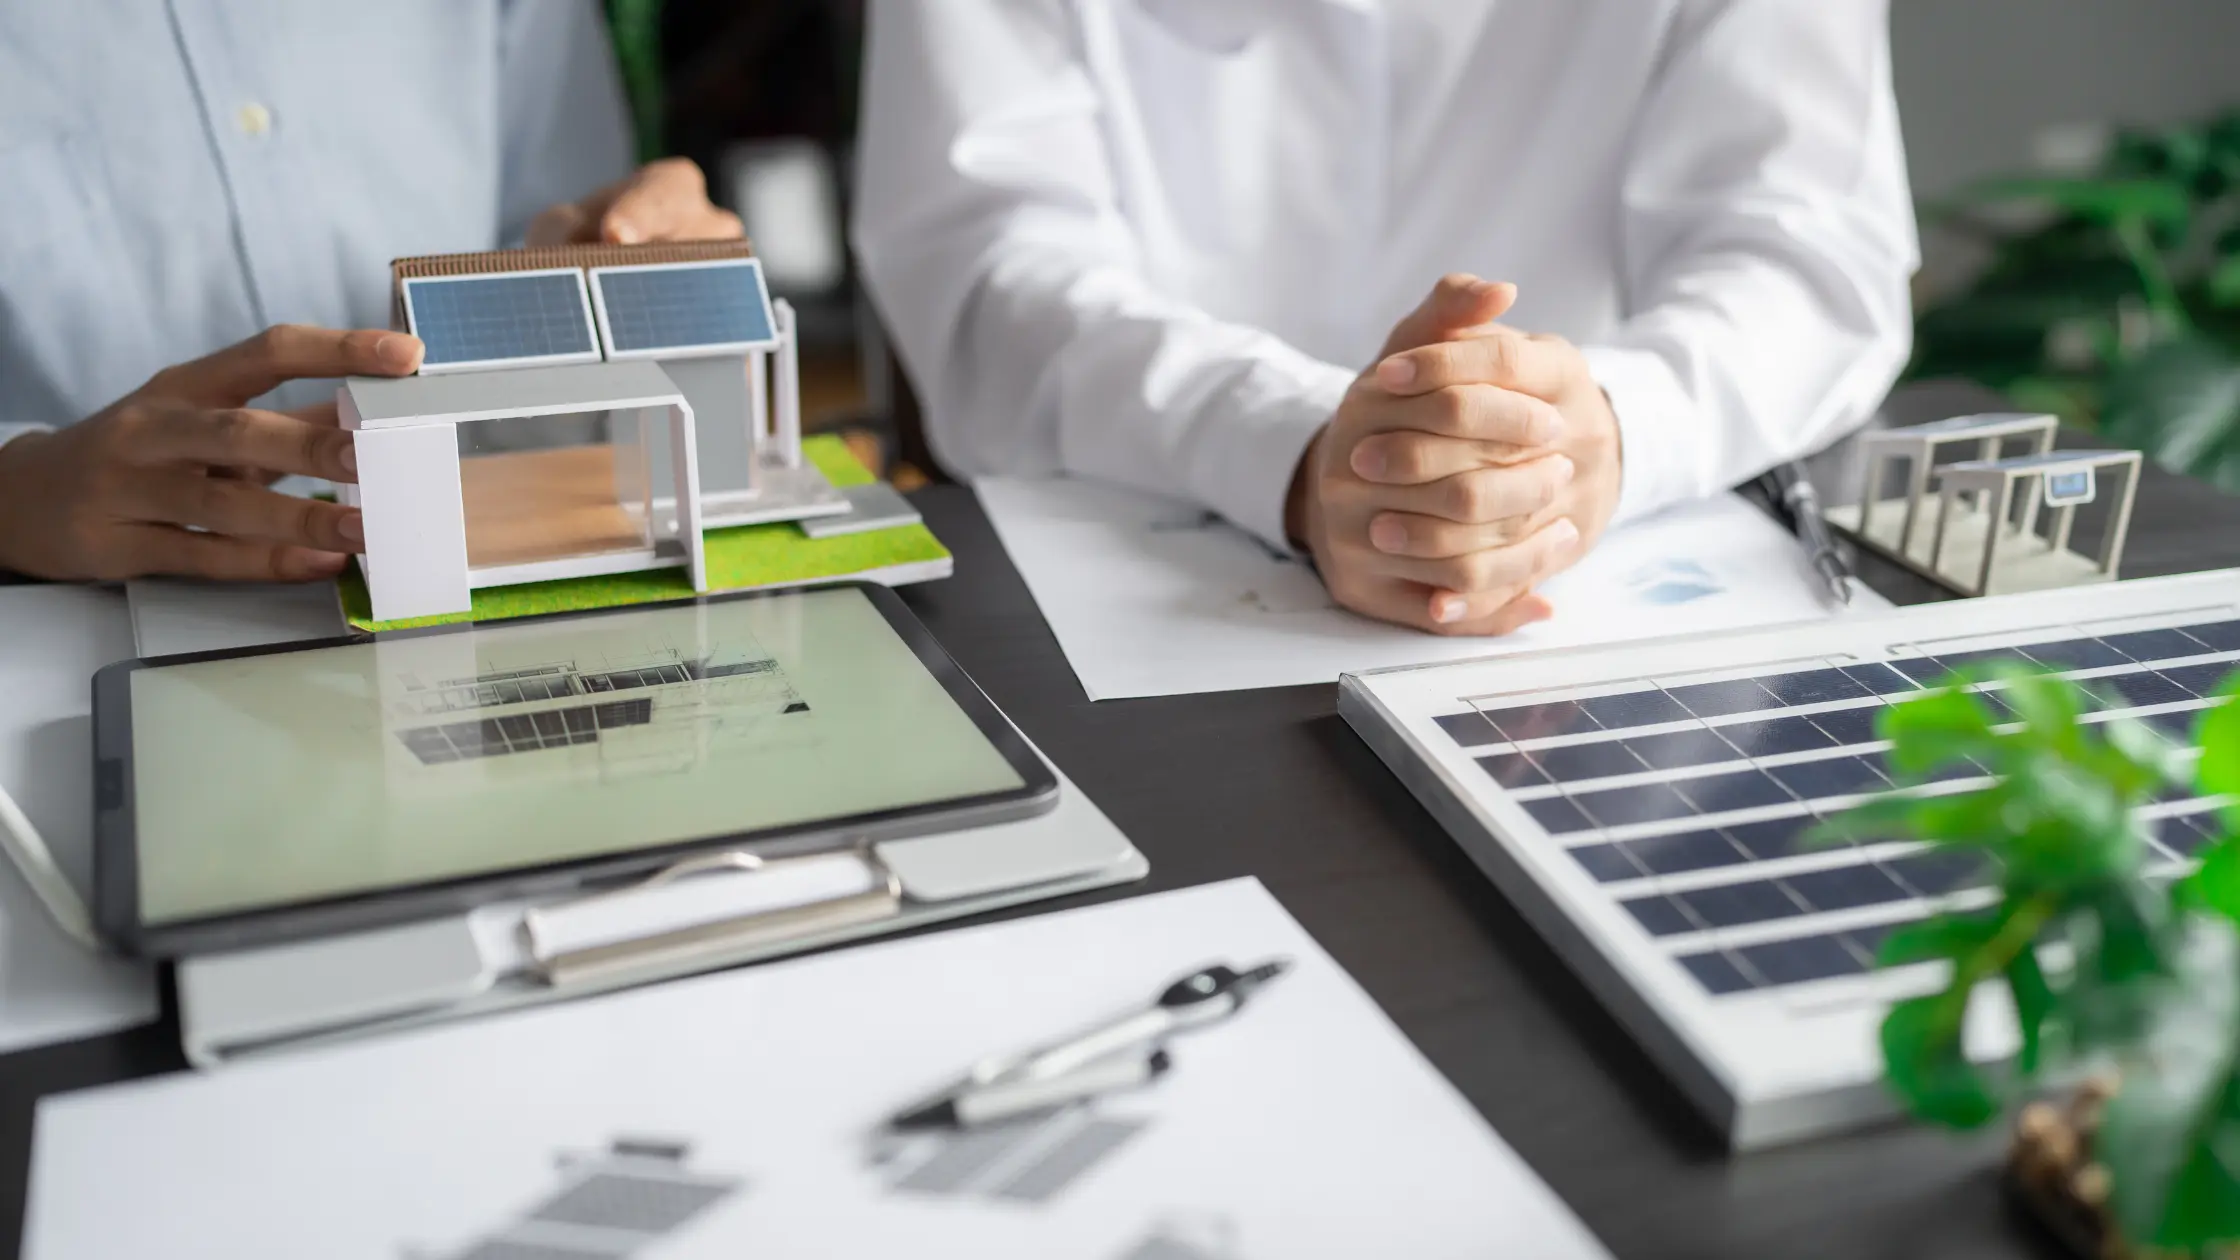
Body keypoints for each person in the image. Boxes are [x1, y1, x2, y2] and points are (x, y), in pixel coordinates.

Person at [853, 0, 1919, 636]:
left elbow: (1809, 252)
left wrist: (1602, 430)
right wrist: (1290, 444)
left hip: (1585, 587)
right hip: (1114, 593)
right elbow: (987, 271)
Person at [0, 1, 741, 585]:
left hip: (488, 548)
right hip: (69, 607)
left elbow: (565, 233)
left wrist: (645, 270)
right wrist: (14, 496)